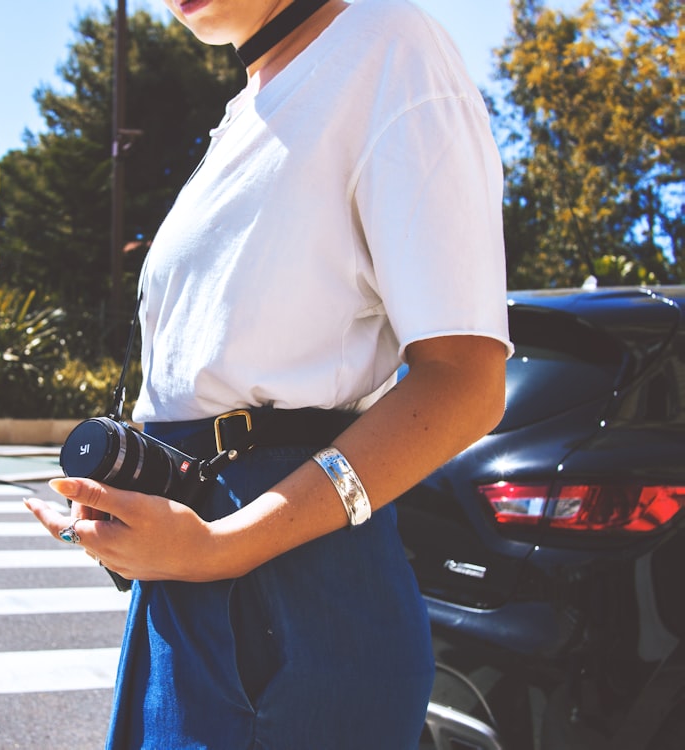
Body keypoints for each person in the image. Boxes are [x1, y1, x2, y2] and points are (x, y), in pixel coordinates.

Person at [27, 0, 512, 746]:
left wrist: (223, 547)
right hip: (193, 587)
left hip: (294, 603)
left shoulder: (390, 47)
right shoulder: (247, 109)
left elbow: (465, 383)